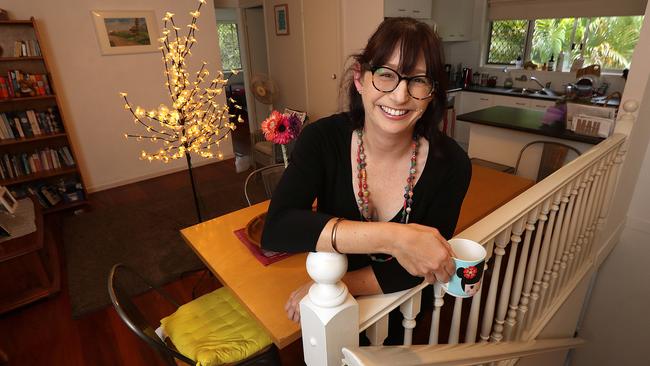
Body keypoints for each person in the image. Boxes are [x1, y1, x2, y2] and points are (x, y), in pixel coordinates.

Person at [261, 17, 471, 343]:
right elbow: (278, 229)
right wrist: (395, 238)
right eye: (386, 74)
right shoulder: (322, 139)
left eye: (418, 81)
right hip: (336, 312)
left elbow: (419, 264)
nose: (400, 96)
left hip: (405, 309)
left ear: (432, 93)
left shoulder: (452, 164)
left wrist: (335, 286)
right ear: (360, 78)